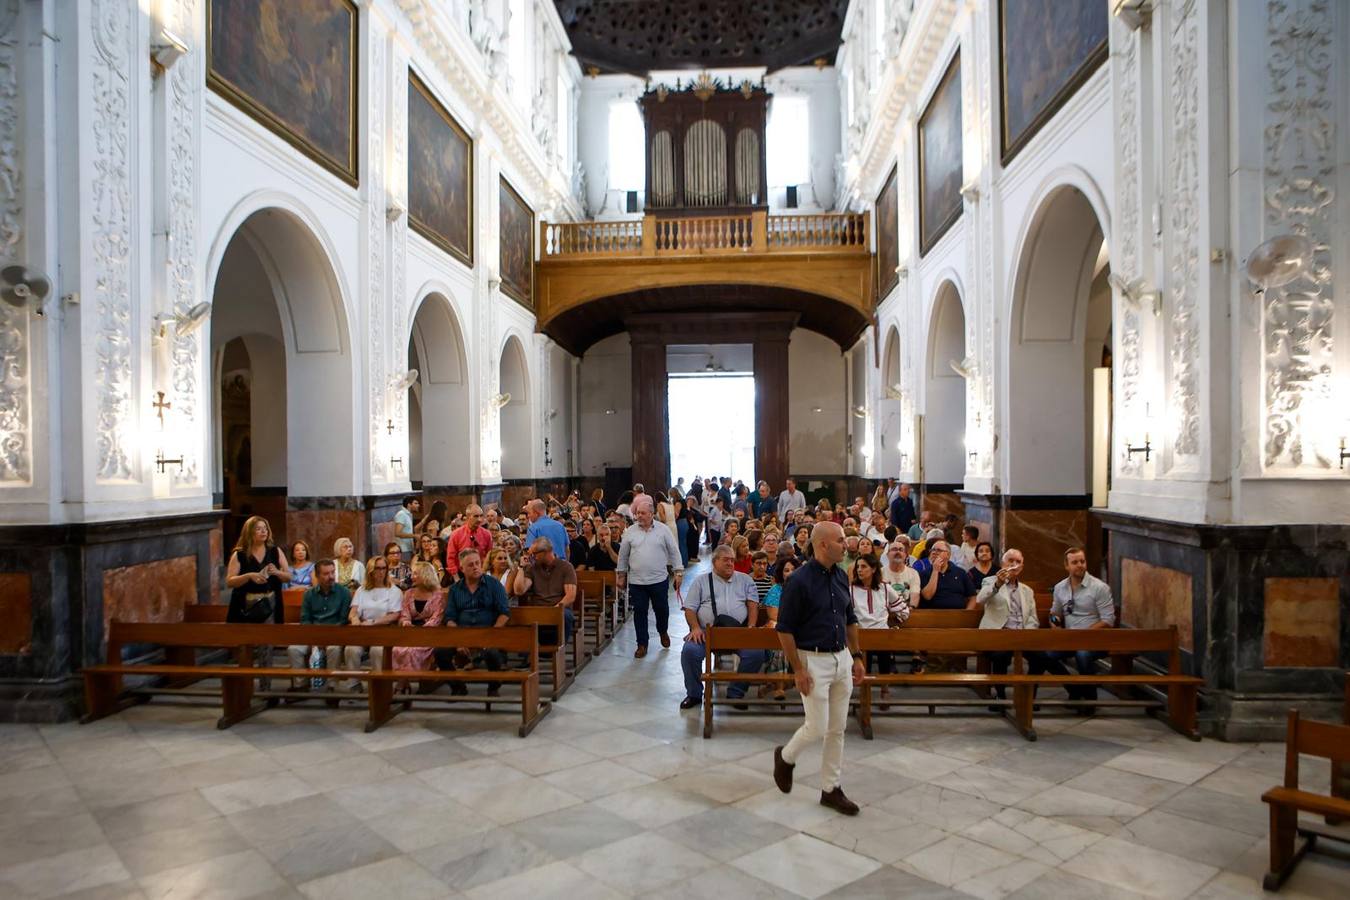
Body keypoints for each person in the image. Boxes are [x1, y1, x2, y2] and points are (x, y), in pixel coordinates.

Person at [772, 521, 865, 816]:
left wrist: (858, 656)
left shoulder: (840, 576)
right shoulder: (798, 581)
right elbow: (784, 630)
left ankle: (830, 789)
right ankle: (785, 758)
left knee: (837, 729)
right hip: (812, 661)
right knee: (817, 727)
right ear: (823, 544)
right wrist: (798, 669)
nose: (846, 544)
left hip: (842, 659)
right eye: (840, 540)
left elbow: (850, 619)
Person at [677, 545, 767, 710]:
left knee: (756, 654)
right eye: (725, 560)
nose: (730, 564)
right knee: (689, 652)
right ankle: (694, 694)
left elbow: (753, 605)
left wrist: (751, 627)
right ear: (714, 562)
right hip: (706, 632)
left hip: (737, 631)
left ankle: (736, 692)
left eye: (732, 560)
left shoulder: (745, 580)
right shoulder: (701, 581)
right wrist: (695, 628)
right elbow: (690, 608)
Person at [975, 548, 1066, 707]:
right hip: (998, 635)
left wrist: (1026, 634)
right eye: (1010, 561)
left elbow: (1032, 617)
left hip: (1022, 636)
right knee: (1000, 656)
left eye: (1018, 562)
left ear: (1022, 567)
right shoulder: (990, 581)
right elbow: (981, 599)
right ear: (1003, 564)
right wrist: (998, 584)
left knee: (1042, 658)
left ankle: (1029, 696)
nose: (1014, 565)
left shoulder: (1027, 591)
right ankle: (1000, 696)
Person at [436, 548, 512, 696]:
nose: (476, 567)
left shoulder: (493, 585)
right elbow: (449, 618)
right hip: (462, 633)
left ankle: (493, 687)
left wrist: (492, 635)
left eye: (478, 563)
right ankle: (457, 686)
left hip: (489, 632)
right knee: (440, 653)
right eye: (471, 565)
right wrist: (459, 640)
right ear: (462, 568)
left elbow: (504, 613)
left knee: (492, 653)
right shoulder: (455, 589)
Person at [616, 494, 684, 658]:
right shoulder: (631, 532)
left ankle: (663, 631)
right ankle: (642, 644)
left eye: (642, 513)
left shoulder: (663, 530)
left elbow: (674, 551)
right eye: (637, 513)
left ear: (651, 514)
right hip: (637, 581)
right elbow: (623, 555)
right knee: (639, 612)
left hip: (658, 579)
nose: (639, 516)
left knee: (662, 610)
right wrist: (621, 574)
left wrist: (678, 571)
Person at [1049, 547, 1116, 704]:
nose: (1080, 565)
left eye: (1082, 561)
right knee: (1046, 656)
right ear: (1066, 566)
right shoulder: (1060, 588)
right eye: (1075, 562)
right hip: (1070, 639)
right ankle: (1073, 689)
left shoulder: (1099, 588)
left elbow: (1108, 620)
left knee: (1083, 655)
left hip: (1094, 640)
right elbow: (1054, 613)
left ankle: (1090, 699)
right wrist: (1055, 625)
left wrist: (1083, 634)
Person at [850, 553, 910, 705]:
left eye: (863, 567)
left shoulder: (884, 588)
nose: (859, 570)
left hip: (881, 632)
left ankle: (885, 688)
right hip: (860, 633)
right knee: (864, 661)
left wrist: (896, 621)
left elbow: (903, 609)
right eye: (858, 567)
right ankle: (866, 693)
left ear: (874, 569)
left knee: (884, 655)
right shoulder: (851, 590)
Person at [286, 559, 350, 693]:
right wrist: (314, 638)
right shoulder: (309, 594)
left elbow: (343, 620)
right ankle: (300, 685)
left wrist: (326, 638)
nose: (331, 576)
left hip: (335, 635)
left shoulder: (344, 593)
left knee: (334, 649)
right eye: (326, 574)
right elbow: (305, 619)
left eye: (333, 572)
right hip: (312, 635)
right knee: (294, 649)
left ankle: (332, 686)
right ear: (317, 575)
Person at [344, 555, 403, 689]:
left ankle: (379, 685)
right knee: (351, 650)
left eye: (384, 568)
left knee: (377, 651)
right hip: (363, 630)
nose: (381, 572)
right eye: (377, 568)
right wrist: (354, 619)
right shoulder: (362, 590)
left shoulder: (393, 591)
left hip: (384, 630)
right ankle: (354, 684)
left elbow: (394, 615)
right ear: (370, 570)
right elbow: (354, 611)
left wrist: (373, 622)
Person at [511, 536, 578, 644]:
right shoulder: (533, 568)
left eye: (535, 554)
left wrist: (554, 609)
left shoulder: (566, 567)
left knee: (565, 616)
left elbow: (570, 596)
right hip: (539, 607)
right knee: (521, 615)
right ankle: (529, 649)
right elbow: (519, 590)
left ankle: (558, 646)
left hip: (559, 607)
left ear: (546, 552)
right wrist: (521, 567)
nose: (532, 557)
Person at [226, 516, 289, 625]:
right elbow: (230, 581)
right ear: (249, 532)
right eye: (258, 529)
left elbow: (288, 577)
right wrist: (249, 576)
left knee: (270, 639)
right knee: (247, 639)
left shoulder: (275, 551)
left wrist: (277, 572)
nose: (263, 531)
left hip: (271, 604)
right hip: (245, 605)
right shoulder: (239, 554)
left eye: (265, 528)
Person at [395, 562, 445, 686]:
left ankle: (419, 680)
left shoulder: (438, 595)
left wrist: (422, 631)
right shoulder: (409, 593)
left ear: (425, 575)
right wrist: (406, 622)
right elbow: (404, 613)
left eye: (416, 573)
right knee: (398, 649)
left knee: (414, 650)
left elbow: (437, 618)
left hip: (429, 633)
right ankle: (403, 682)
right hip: (410, 631)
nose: (412, 576)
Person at [917, 540, 977, 609]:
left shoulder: (960, 573)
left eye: (938, 550)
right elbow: (927, 596)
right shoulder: (924, 573)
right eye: (933, 550)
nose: (934, 552)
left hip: (958, 615)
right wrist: (935, 571)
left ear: (948, 555)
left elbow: (972, 597)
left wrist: (966, 614)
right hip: (932, 615)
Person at [445, 504, 494, 581]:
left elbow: (490, 555)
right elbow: (451, 558)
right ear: (468, 517)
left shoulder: (486, 534)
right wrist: (456, 577)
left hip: (481, 573)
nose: (479, 519)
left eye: (481, 516)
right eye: (476, 516)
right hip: (461, 575)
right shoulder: (456, 534)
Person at [880, 539, 921, 609]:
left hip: (907, 611)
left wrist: (911, 608)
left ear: (906, 555)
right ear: (887, 555)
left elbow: (915, 594)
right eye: (894, 549)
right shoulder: (880, 573)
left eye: (901, 550)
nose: (898, 552)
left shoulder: (913, 573)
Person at [393, 495, 421, 559]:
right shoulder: (402, 514)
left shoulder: (407, 515)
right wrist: (415, 536)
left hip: (408, 548)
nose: (418, 505)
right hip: (403, 549)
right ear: (409, 505)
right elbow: (397, 533)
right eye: (416, 503)